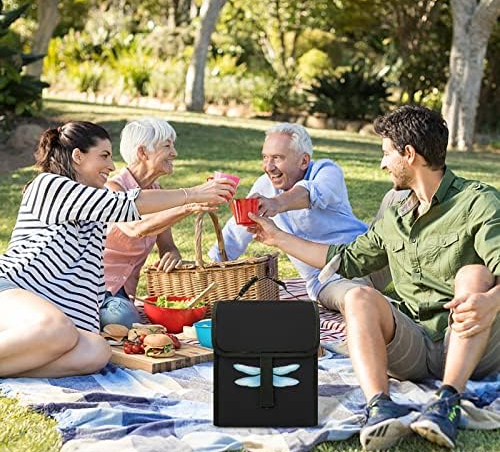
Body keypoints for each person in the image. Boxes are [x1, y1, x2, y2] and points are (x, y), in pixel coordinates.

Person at [246, 106, 500, 451]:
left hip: (474, 344)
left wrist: (491, 300)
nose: (382, 164)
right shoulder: (396, 214)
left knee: (474, 274)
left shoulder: (477, 202)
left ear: (409, 154)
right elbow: (345, 259)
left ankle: (447, 403)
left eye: (386, 154)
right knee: (358, 297)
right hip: (416, 346)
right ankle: (380, 408)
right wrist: (275, 237)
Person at [0, 121, 235, 378]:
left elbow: (89, 280)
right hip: (13, 291)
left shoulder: (93, 213)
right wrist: (194, 193)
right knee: (59, 329)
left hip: (54, 318)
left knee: (96, 350)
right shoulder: (49, 185)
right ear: (78, 156)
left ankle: (12, 365)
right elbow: (125, 205)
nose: (112, 166)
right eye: (104, 156)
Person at [208, 122, 369, 306]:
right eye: (265, 157)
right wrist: (212, 267)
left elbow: (311, 193)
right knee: (358, 299)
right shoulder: (264, 186)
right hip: (327, 279)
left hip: (363, 255)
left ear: (304, 161)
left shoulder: (326, 171)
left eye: (277, 158)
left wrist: (276, 203)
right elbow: (235, 232)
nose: (268, 167)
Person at [100, 117, 215, 328]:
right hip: (98, 289)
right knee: (122, 320)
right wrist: (190, 204)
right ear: (143, 153)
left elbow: (167, 246)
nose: (174, 153)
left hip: (126, 293)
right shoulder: (113, 189)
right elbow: (136, 228)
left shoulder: (157, 191)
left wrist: (172, 254)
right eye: (167, 146)